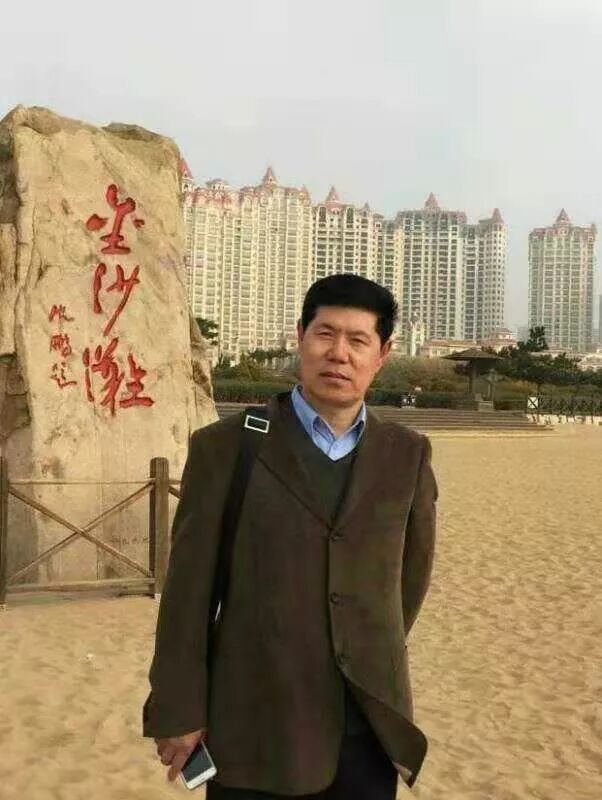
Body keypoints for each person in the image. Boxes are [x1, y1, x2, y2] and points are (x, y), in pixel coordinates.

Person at [143, 274, 438, 799]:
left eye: (358, 340)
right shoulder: (227, 447)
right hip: (255, 722)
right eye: (325, 334)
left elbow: (408, 583)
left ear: (383, 354)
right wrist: (179, 709)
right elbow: (188, 594)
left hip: (365, 722)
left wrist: (359, 643)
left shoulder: (406, 455)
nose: (339, 354)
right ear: (300, 337)